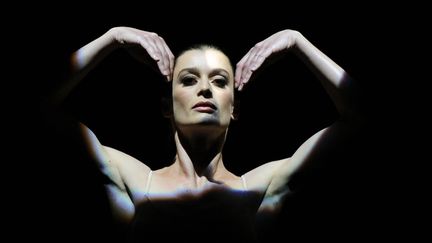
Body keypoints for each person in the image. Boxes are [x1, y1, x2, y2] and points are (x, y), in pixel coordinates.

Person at [44, 26, 363, 242]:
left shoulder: (258, 191)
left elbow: (361, 116)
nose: (206, 89)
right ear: (167, 106)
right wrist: (112, 37)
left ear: (234, 108)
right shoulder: (135, 183)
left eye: (220, 81)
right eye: (188, 80)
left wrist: (297, 40)